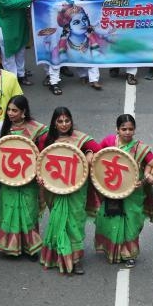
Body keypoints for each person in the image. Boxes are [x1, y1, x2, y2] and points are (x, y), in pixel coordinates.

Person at [38, 107, 100, 275]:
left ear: (71, 121)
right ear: (54, 123)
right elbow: (38, 160)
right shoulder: (46, 139)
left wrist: (89, 152)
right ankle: (59, 255)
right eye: (60, 121)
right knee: (58, 220)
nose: (64, 124)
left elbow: (99, 150)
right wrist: (40, 177)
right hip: (54, 188)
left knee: (74, 222)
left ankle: (76, 259)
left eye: (67, 121)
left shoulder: (81, 139)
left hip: (76, 188)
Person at [94, 113, 153, 268]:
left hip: (133, 193)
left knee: (131, 222)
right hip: (112, 190)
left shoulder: (140, 148)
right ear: (117, 129)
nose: (127, 132)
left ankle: (129, 254)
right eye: (124, 129)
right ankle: (112, 251)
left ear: (134, 130)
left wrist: (145, 179)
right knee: (110, 219)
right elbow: (97, 158)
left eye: (130, 129)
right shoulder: (109, 142)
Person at [0, 95, 46, 257]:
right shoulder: (1, 127)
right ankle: (9, 245)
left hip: (28, 179)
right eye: (8, 110)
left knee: (28, 211)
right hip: (8, 178)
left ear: (24, 112)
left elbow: (43, 153)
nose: (10, 113)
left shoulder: (37, 129)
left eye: (14, 110)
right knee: (8, 210)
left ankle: (31, 247)